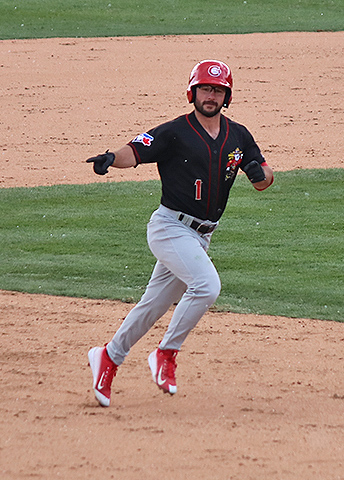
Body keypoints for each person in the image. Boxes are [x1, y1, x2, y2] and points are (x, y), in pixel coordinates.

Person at [85, 59, 274, 407]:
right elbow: (136, 150)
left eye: (217, 90)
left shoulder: (239, 135)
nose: (211, 96)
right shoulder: (175, 132)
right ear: (192, 92)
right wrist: (111, 158)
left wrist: (257, 172)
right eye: (205, 89)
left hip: (201, 236)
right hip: (170, 227)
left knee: (153, 306)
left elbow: (264, 179)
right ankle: (166, 353)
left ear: (227, 96)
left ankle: (108, 357)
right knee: (207, 286)